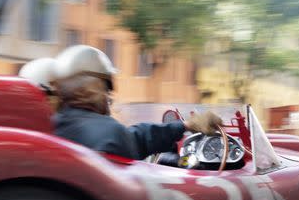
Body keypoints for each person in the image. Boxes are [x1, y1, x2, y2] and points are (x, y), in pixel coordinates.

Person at [49, 45, 223, 160]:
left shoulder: (51, 124)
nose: (109, 96)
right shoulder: (110, 132)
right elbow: (131, 139)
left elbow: (135, 135)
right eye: (107, 88)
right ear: (95, 87)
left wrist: (185, 126)